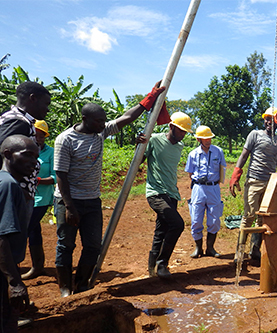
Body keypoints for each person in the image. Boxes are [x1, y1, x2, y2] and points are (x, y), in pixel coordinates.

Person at [54, 81, 166, 296]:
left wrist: (149, 98)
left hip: (92, 200)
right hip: (68, 201)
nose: (103, 124)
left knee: (93, 246)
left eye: (104, 121)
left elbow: (126, 118)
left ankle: (82, 284)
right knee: (65, 245)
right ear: (85, 119)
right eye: (99, 121)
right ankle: (65, 288)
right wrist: (69, 207)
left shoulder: (100, 132)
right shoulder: (65, 140)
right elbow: (61, 175)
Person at [0, 135, 39, 333]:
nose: (32, 162)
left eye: (35, 156)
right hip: (3, 273)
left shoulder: (7, 182)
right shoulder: (9, 186)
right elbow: (1, 239)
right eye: (26, 154)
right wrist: (15, 282)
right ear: (6, 153)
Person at [229, 107, 277, 262]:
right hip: (254, 180)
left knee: (262, 219)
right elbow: (244, 155)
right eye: (267, 118)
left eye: (272, 119)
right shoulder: (255, 135)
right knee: (249, 216)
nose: (269, 122)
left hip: (270, 184)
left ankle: (255, 250)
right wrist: (236, 174)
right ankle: (239, 252)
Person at [145, 111, 191, 279]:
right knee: (177, 224)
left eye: (185, 132)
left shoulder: (179, 146)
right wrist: (139, 145)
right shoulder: (155, 140)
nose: (183, 135)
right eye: (181, 131)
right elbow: (140, 158)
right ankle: (162, 263)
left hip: (172, 193)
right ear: (171, 126)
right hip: (156, 192)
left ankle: (152, 270)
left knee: (161, 230)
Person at [0, 81, 51, 212]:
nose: (48, 109)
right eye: (46, 104)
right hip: (15, 195)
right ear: (33, 98)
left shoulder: (13, 118)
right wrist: (17, 189)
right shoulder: (19, 122)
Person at [185, 125, 226, 258]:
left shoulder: (218, 151)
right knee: (196, 219)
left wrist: (214, 183)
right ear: (198, 139)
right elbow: (190, 173)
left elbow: (222, 169)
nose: (208, 140)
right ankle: (198, 248)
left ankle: (210, 248)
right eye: (205, 138)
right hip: (198, 188)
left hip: (214, 188)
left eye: (209, 138)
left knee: (214, 219)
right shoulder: (192, 154)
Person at [21, 121, 56, 280]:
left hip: (42, 198)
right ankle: (38, 266)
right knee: (34, 230)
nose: (38, 138)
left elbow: (55, 177)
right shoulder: (23, 151)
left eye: (41, 135)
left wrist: (36, 179)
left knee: (26, 229)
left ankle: (16, 267)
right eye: (36, 134)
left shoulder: (51, 153)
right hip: (26, 197)